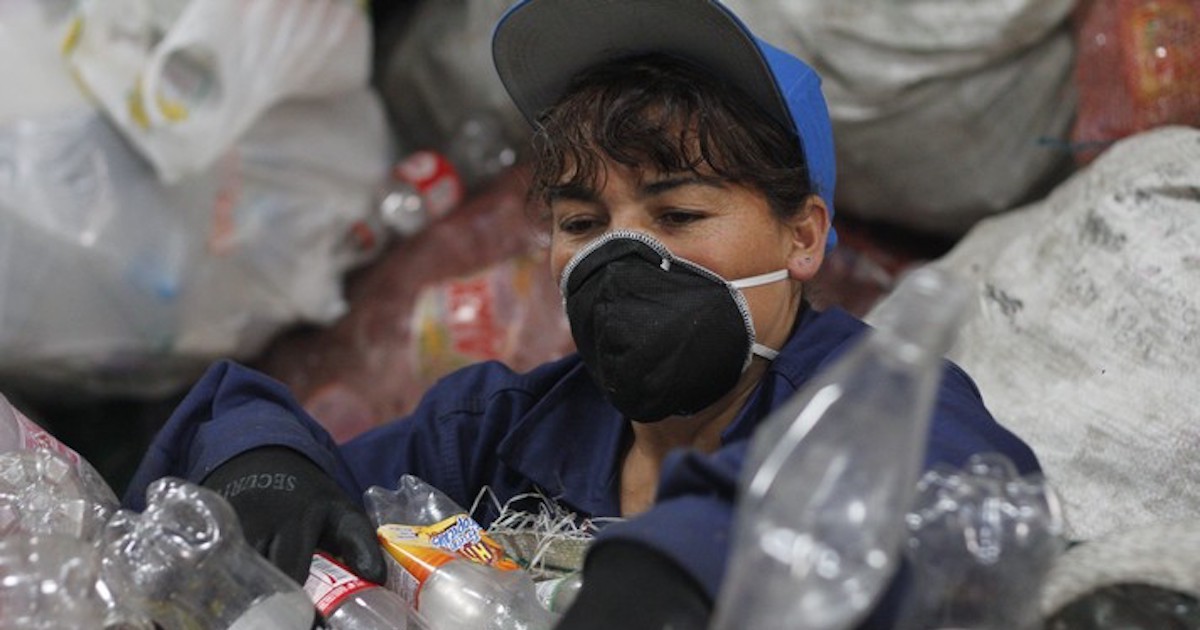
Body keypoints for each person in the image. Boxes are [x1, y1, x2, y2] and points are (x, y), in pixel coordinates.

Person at [123, 0, 1042, 627]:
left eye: (678, 215)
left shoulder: (873, 405)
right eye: (581, 222)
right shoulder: (502, 430)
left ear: (803, 238)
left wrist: (684, 564)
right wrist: (263, 465)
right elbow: (282, 448)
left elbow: (948, 493)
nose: (622, 256)